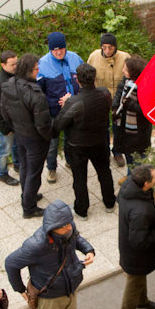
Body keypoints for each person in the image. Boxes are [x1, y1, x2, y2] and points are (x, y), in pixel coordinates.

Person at [5, 200, 95, 309]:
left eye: (69, 223)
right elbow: (11, 263)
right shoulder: (36, 245)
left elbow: (77, 238)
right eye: (63, 226)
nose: (68, 227)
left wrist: (89, 250)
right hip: (49, 299)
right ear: (51, 227)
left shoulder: (68, 228)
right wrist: (20, 290)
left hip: (70, 291)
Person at [52, 63, 115, 218]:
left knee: (80, 178)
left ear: (77, 80)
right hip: (100, 141)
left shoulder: (74, 102)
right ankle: (110, 202)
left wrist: (67, 103)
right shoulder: (105, 93)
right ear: (94, 78)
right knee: (104, 172)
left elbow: (59, 124)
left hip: (78, 146)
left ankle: (82, 209)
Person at [1, 52, 52, 218]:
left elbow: (4, 111)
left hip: (20, 134)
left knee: (24, 167)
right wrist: (49, 136)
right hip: (35, 139)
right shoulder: (35, 94)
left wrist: (14, 127)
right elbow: (42, 123)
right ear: (29, 71)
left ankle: (27, 195)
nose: (38, 72)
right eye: (36, 69)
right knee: (34, 173)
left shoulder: (8, 85)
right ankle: (29, 208)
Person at [117, 164, 155, 309]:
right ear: (146, 184)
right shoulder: (140, 211)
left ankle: (142, 300)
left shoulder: (128, 187)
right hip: (135, 254)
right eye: (154, 177)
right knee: (134, 281)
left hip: (128, 248)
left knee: (139, 277)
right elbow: (139, 241)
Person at [37, 31, 83, 184]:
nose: (58, 52)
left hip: (74, 109)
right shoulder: (42, 64)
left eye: (61, 49)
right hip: (54, 112)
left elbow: (84, 80)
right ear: (50, 50)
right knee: (52, 142)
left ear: (65, 47)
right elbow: (39, 92)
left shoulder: (75, 58)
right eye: (54, 50)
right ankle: (51, 168)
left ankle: (70, 160)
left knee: (72, 138)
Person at [88, 33, 130, 166]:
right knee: (102, 127)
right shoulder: (94, 57)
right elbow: (88, 76)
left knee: (118, 128)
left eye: (110, 48)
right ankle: (104, 151)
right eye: (104, 48)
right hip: (101, 100)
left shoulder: (125, 57)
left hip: (119, 101)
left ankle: (117, 151)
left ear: (115, 47)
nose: (107, 51)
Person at [112, 56, 154, 168]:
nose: (122, 71)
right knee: (129, 156)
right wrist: (115, 108)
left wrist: (130, 104)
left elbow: (147, 111)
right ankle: (130, 174)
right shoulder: (126, 82)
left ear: (134, 72)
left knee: (139, 161)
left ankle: (137, 179)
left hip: (139, 133)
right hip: (124, 129)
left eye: (125, 69)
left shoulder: (145, 87)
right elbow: (118, 95)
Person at [0, 50, 20, 186]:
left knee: (16, 145)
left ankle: (18, 164)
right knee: (5, 149)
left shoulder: (16, 75)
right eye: (12, 65)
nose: (16, 67)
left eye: (16, 63)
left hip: (17, 121)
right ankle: (2, 173)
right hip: (7, 124)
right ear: (3, 65)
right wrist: (5, 128)